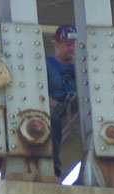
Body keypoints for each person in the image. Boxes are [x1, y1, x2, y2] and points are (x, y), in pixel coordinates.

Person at [46, 25, 77, 177]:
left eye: (73, 45)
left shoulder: (76, 70)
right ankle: (55, 170)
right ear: (57, 45)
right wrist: (53, 103)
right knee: (53, 122)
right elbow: (38, 92)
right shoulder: (46, 66)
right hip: (55, 111)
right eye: (68, 45)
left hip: (72, 110)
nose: (71, 49)